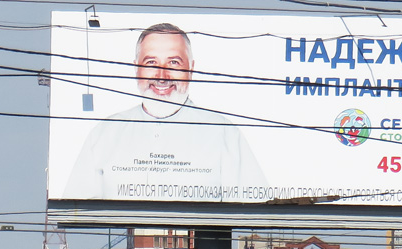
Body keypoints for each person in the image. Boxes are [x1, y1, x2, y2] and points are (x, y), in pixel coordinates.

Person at [60, 23, 265, 200]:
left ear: (191, 69)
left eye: (174, 62)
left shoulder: (223, 133)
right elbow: (75, 205)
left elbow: (256, 203)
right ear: (135, 68)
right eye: (151, 63)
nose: (162, 76)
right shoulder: (106, 133)